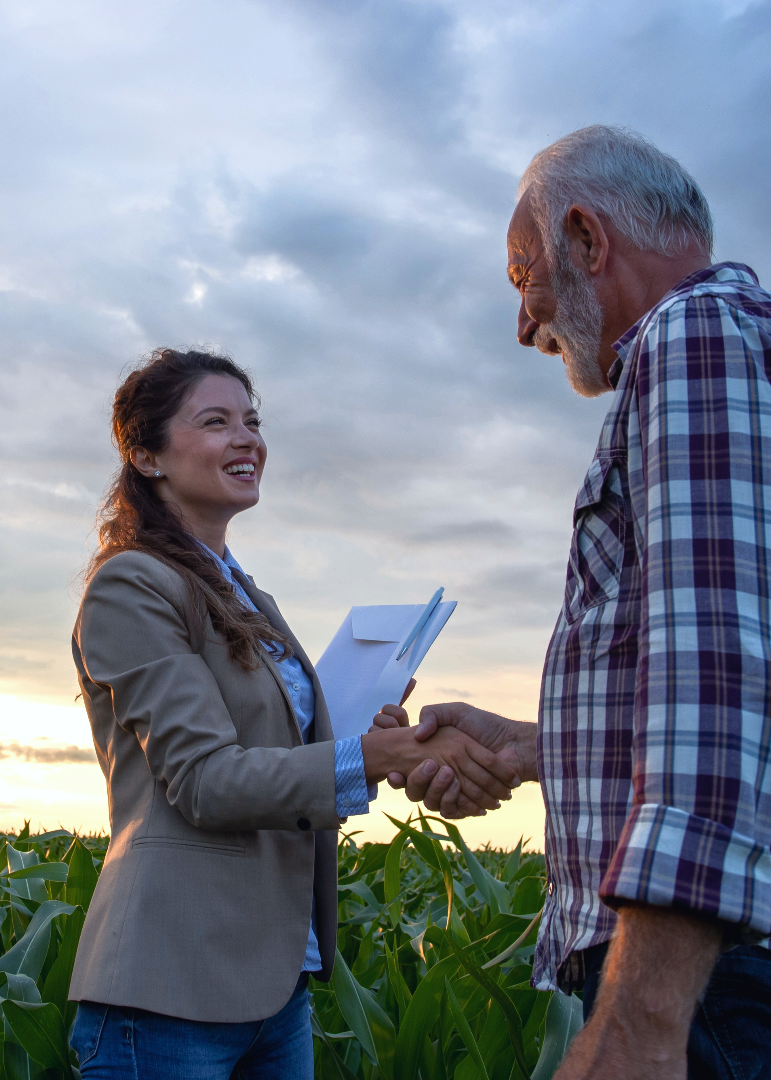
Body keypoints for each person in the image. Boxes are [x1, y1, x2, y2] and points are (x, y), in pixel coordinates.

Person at [379, 126, 771, 1079]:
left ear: (588, 240)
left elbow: (715, 681)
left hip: (702, 982)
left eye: (526, 279)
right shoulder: (725, 344)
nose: (524, 324)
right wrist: (529, 748)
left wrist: (641, 1021)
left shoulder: (693, 336)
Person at [67, 348, 520, 1078]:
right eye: (216, 422)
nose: (246, 438)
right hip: (171, 985)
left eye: (252, 421)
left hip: (277, 987)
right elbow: (205, 781)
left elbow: (281, 762)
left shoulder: (249, 597)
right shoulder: (133, 586)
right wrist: (374, 758)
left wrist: (364, 740)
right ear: (146, 456)